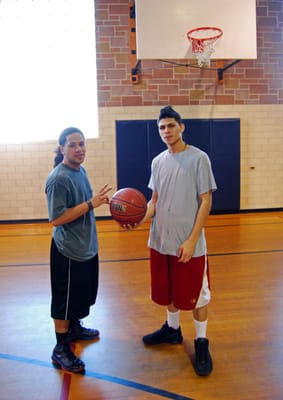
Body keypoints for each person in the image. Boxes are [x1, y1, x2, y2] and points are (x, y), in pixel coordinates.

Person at [133, 106, 217, 376]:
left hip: (188, 243)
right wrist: (139, 219)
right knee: (168, 291)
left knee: (197, 296)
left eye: (170, 125)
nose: (166, 131)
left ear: (182, 127)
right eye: (161, 128)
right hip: (160, 240)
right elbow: (154, 202)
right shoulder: (157, 162)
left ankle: (201, 341)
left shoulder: (199, 158)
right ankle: (172, 330)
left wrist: (193, 239)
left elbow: (206, 200)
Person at [45, 127, 112, 373]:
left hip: (86, 246)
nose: (79, 149)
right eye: (72, 144)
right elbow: (56, 218)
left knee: (81, 295)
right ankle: (60, 348)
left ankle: (74, 327)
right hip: (68, 250)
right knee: (63, 302)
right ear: (62, 148)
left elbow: (84, 208)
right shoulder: (58, 178)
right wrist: (90, 204)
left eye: (81, 144)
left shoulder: (80, 171)